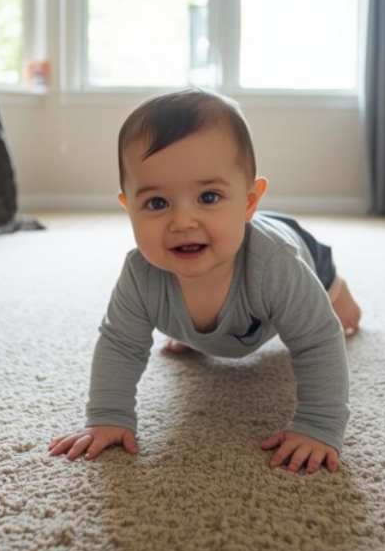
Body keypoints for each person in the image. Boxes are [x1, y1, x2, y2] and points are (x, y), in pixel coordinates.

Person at [48, 88, 361, 475]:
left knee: (327, 306)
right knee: (181, 326)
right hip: (235, 277)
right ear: (128, 207)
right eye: (157, 204)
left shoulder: (277, 265)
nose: (182, 222)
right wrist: (108, 414)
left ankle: (337, 286)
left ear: (248, 202)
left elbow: (317, 341)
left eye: (209, 197)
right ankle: (197, 331)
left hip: (301, 249)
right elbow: (120, 344)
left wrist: (319, 425)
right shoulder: (141, 275)